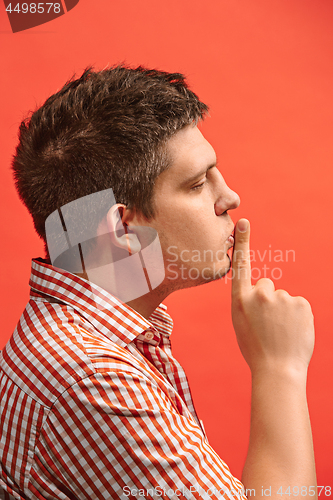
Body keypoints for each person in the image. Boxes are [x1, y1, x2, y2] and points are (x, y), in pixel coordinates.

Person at [0, 66, 316, 499]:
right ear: (124, 229)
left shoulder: (78, 339)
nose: (229, 198)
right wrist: (280, 369)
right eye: (198, 183)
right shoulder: (94, 379)